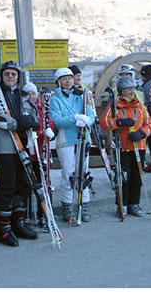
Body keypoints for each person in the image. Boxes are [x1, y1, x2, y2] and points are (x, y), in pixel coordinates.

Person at [0, 61, 40, 246]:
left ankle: (19, 222)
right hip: (5, 146)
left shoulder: (24, 95)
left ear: (18, 76)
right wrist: (17, 122)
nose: (10, 77)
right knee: (7, 185)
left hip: (23, 145)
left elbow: (35, 117)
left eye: (13, 74)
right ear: (2, 76)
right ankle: (3, 227)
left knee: (23, 184)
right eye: (7, 74)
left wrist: (30, 122)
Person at [100, 75, 151, 217]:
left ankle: (134, 203)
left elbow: (150, 124)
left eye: (132, 88)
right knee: (123, 176)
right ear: (121, 91)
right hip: (122, 147)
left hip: (138, 145)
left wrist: (141, 134)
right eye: (127, 89)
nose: (131, 91)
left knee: (137, 176)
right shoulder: (115, 105)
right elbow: (104, 123)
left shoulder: (140, 105)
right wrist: (119, 122)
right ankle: (122, 203)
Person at [49, 67, 95, 223]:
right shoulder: (55, 99)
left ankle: (84, 204)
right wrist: (75, 118)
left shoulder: (80, 96)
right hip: (66, 140)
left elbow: (91, 114)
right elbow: (57, 120)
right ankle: (67, 205)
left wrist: (87, 120)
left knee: (83, 172)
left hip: (82, 138)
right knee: (69, 173)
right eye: (64, 79)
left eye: (69, 78)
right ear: (59, 82)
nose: (67, 81)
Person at [23, 82, 56, 230]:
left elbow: (50, 124)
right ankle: (26, 214)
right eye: (28, 93)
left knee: (44, 185)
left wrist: (50, 132)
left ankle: (45, 214)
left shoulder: (42, 109)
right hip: (27, 153)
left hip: (41, 152)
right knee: (26, 185)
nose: (31, 96)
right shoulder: (22, 110)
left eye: (33, 93)